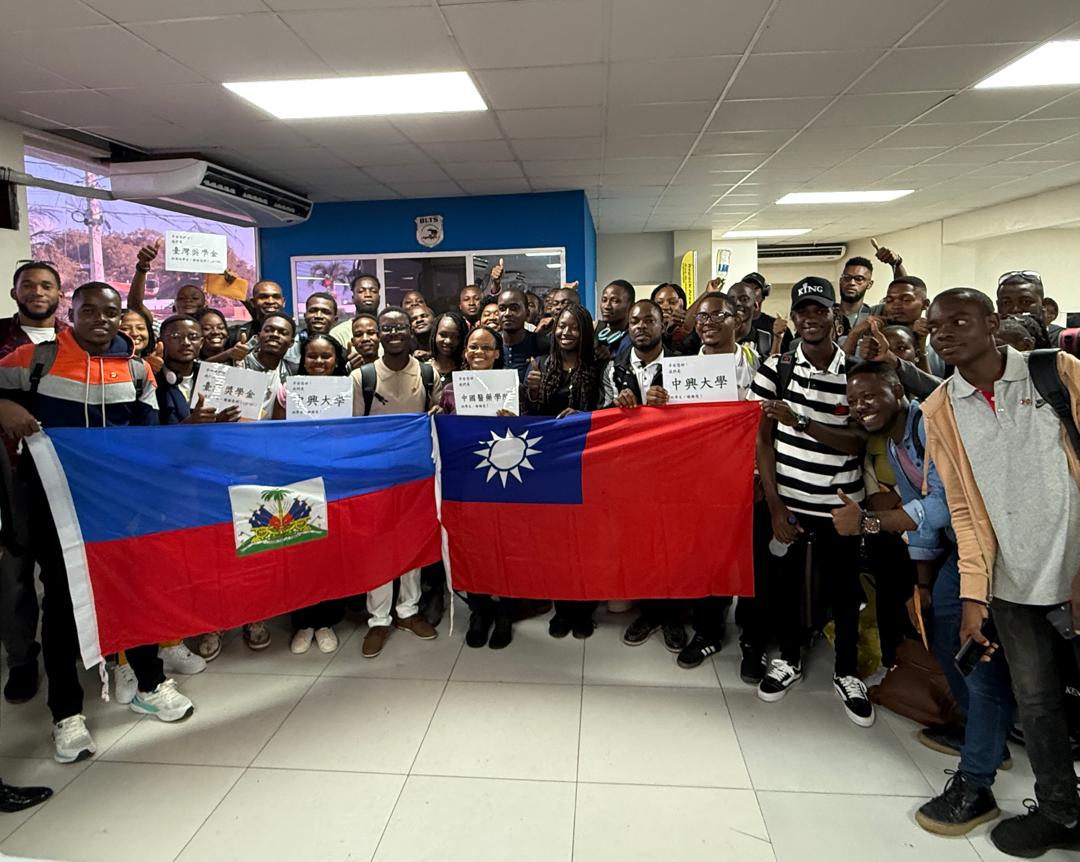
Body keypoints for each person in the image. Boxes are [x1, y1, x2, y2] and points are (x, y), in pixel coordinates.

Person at [0, 282, 195, 763]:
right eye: (91, 311)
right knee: (64, 606)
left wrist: (192, 430)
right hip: (55, 506)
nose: (102, 320)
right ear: (73, 312)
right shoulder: (33, 359)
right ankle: (66, 714)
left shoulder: (137, 369)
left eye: (111, 312)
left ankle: (150, 682)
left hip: (120, 505)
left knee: (134, 591)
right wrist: (4, 406)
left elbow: (150, 439)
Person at [922, 287, 1080, 857]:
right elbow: (964, 508)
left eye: (958, 320)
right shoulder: (940, 408)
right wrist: (974, 594)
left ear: (992, 322)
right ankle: (1062, 812)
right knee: (1037, 703)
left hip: (1075, 566)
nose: (943, 333)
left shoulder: (1055, 372)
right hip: (1013, 582)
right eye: (935, 327)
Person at [837, 360, 1014, 836]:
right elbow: (928, 525)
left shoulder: (929, 424)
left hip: (999, 552)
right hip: (960, 554)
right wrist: (921, 584)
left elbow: (940, 503)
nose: (861, 406)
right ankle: (980, 735)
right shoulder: (896, 444)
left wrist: (870, 523)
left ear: (899, 389)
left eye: (870, 395)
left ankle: (977, 780)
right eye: (853, 400)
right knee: (943, 640)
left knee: (979, 661)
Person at [749, 276, 873, 727]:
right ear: (795, 318)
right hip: (790, 500)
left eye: (820, 311)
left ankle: (846, 670)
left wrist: (800, 419)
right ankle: (788, 658)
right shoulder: (774, 369)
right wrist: (775, 504)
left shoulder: (857, 370)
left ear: (834, 316)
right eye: (803, 312)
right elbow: (762, 439)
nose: (810, 319)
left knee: (842, 589)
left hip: (842, 505)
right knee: (784, 585)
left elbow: (857, 443)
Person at [673, 294, 757, 668]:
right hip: (702, 482)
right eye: (701, 317)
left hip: (748, 477)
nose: (706, 323)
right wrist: (659, 403)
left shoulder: (760, 365)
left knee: (752, 561)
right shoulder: (683, 372)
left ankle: (753, 639)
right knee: (710, 556)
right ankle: (708, 632)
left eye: (716, 316)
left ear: (736, 320)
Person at [351, 307, 439, 658]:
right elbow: (354, 430)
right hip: (376, 475)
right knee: (378, 547)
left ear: (411, 332)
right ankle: (378, 619)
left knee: (412, 544)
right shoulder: (364, 376)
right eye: (386, 328)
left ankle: (408, 611)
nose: (394, 333)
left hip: (416, 474)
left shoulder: (429, 373)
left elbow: (439, 416)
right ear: (378, 334)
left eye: (400, 327)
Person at [0, 260, 66, 703]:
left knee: (66, 567)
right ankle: (22, 658)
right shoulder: (1, 340)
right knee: (16, 569)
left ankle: (77, 649)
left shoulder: (77, 338)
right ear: (14, 292)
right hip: (13, 472)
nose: (38, 292)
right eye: (29, 285)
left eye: (47, 285)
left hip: (70, 472)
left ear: (61, 295)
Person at [524, 304, 604, 639]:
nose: (565, 333)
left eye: (573, 327)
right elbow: (530, 416)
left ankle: (584, 608)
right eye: (560, 327)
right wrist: (530, 391)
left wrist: (583, 417)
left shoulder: (599, 366)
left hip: (587, 464)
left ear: (585, 332)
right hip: (549, 467)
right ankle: (562, 608)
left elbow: (608, 413)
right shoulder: (541, 365)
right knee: (555, 543)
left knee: (585, 543)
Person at [437, 324, 518, 649]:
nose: (479, 354)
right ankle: (480, 610)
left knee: (504, 547)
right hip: (465, 483)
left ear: (497, 353)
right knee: (472, 548)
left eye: (486, 348)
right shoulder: (449, 389)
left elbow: (529, 436)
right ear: (465, 352)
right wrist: (436, 418)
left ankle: (505, 612)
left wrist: (513, 420)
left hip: (503, 481)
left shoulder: (515, 387)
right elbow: (441, 432)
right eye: (473, 348)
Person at [267, 334, 347, 654]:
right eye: (312, 357)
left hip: (336, 478)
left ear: (336, 360)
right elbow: (275, 431)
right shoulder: (289, 390)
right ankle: (302, 622)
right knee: (299, 548)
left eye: (325, 357)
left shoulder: (347, 387)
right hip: (297, 477)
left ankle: (327, 621)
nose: (318, 362)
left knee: (330, 551)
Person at [498, 287, 549, 381]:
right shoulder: (492, 343)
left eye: (514, 308)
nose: (507, 314)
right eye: (502, 309)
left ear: (527, 313)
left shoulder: (542, 343)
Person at [227, 279, 286, 351]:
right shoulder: (235, 335)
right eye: (263, 297)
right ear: (253, 302)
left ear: (283, 302)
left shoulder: (296, 337)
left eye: (276, 297)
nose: (270, 301)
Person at [329, 273, 382, 351]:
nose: (368, 295)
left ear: (379, 297)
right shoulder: (339, 333)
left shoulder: (388, 331)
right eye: (361, 291)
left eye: (373, 291)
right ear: (353, 298)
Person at [428, 311, 468, 387]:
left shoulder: (466, 372)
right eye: (443, 335)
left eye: (455, 337)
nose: (448, 341)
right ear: (435, 334)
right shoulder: (423, 370)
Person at [596, 280, 634, 357]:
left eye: (615, 301)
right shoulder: (597, 335)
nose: (607, 306)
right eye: (604, 300)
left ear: (631, 306)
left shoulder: (633, 341)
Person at [837, 256, 876, 329]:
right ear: (841, 280)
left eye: (859, 279)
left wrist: (896, 263)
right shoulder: (827, 313)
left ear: (869, 284)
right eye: (847, 277)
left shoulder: (873, 315)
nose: (852, 283)